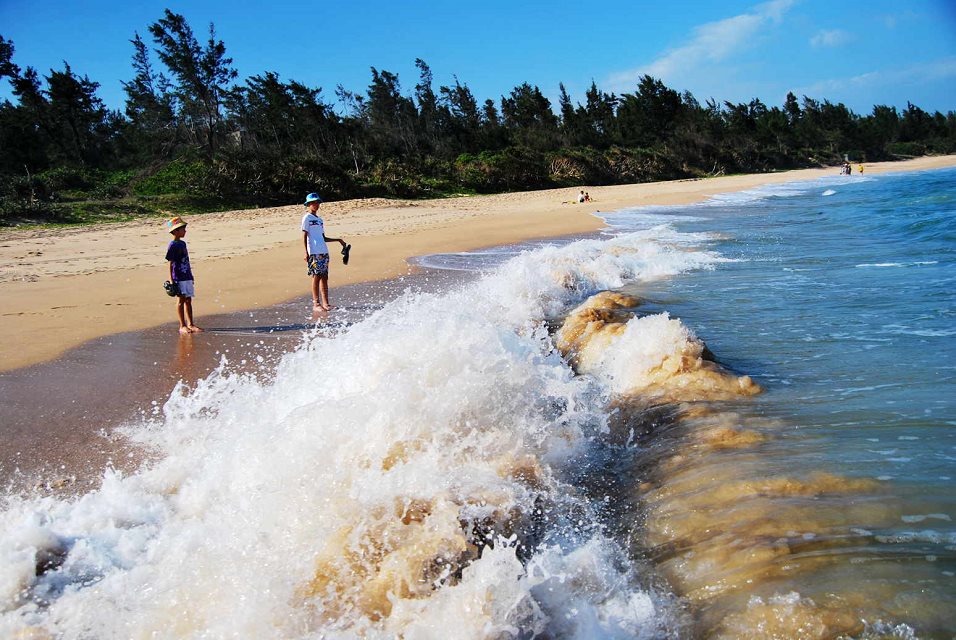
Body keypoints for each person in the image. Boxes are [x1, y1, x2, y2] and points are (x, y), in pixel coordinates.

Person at [301, 192, 347, 311]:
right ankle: (316, 304)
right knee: (316, 276)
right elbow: (304, 235)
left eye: (317, 202)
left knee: (324, 277)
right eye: (313, 203)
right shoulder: (307, 218)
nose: (316, 204)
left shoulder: (320, 220)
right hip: (314, 252)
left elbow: (323, 237)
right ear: (308, 204)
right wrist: (305, 252)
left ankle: (326, 303)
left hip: (323, 251)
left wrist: (338, 240)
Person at [165, 216, 202, 334]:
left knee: (188, 299)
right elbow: (170, 263)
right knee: (181, 300)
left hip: (186, 275)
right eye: (182, 229)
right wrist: (172, 279)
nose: (185, 231)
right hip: (178, 277)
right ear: (175, 231)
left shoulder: (183, 243)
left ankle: (191, 323)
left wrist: (191, 275)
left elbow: (186, 260)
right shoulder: (173, 245)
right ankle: (182, 325)